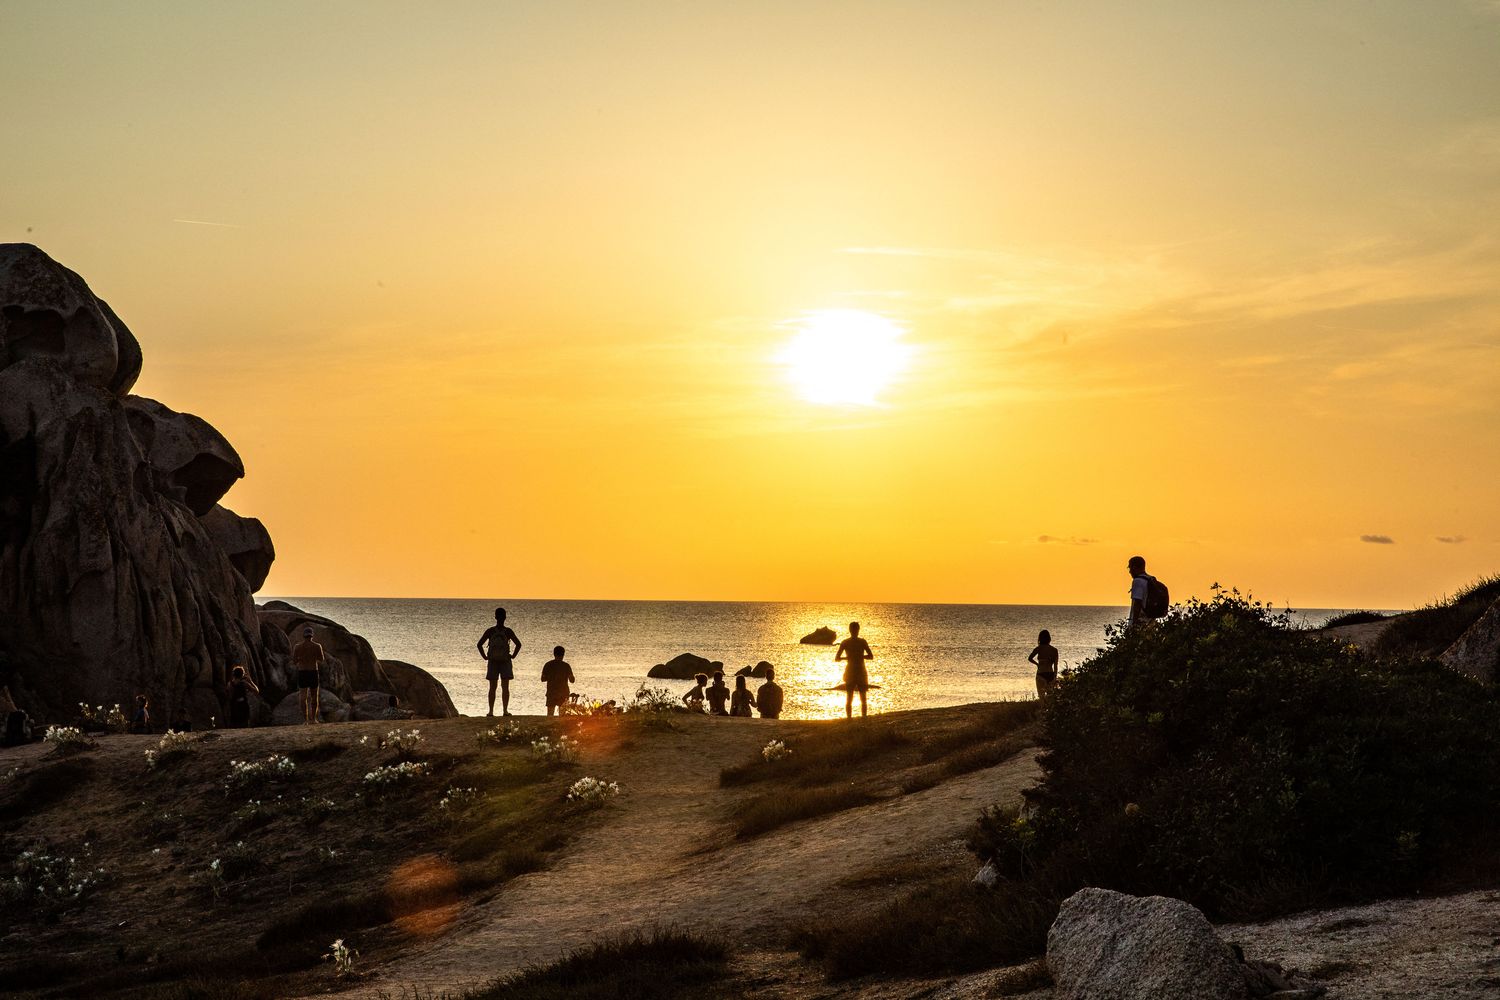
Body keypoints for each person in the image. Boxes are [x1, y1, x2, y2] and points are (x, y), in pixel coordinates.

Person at [477, 607, 522, 717]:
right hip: (505, 661)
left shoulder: (490, 631)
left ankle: (491, 711)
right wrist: (513, 656)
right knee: (505, 687)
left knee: (492, 687)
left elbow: (479, 644)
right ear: (505, 617)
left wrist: (485, 657)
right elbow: (518, 644)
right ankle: (505, 711)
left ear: (495, 617)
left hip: (492, 661)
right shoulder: (508, 631)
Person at [835, 621, 874, 718]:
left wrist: (848, 658)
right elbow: (870, 656)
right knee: (862, 698)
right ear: (858, 630)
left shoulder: (845, 642)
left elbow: (837, 658)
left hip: (852, 671)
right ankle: (863, 718)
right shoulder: (862, 642)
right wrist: (860, 657)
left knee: (850, 697)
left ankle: (850, 719)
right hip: (859, 671)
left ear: (850, 630)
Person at [291, 626, 325, 725]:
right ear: (312, 636)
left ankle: (305, 720)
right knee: (314, 697)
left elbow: (294, 661)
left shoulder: (297, 647)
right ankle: (313, 719)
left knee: (303, 697)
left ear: (303, 636)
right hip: (313, 672)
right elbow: (321, 659)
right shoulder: (317, 646)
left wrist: (302, 658)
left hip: (302, 672)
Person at [541, 645, 576, 718]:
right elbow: (572, 680)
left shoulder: (548, 664)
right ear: (563, 654)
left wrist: (551, 677)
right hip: (563, 692)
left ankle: (549, 727)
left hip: (551, 692)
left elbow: (542, 679)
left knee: (550, 714)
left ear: (554, 654)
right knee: (562, 715)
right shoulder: (566, 666)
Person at [1028, 630, 1060, 699]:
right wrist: (1054, 677)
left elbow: (1030, 658)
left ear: (1040, 639)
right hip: (1050, 674)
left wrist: (1037, 664)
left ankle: (1042, 709)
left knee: (1041, 698)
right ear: (1049, 638)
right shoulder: (1054, 650)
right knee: (1051, 698)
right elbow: (1055, 666)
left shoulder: (1038, 648)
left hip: (1040, 674)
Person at [226, 665, 260, 729]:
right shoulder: (244, 683)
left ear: (233, 674)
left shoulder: (229, 684)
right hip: (243, 707)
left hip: (234, 707)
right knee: (244, 727)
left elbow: (229, 696)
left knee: (234, 726)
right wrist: (250, 681)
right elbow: (257, 691)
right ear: (242, 675)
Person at [1127, 556, 1151, 627]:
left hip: (1140, 623)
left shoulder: (1138, 581)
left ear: (1134, 567)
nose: (1130, 571)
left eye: (1130, 568)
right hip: (1150, 622)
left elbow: (1137, 603)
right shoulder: (1150, 579)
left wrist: (1134, 623)